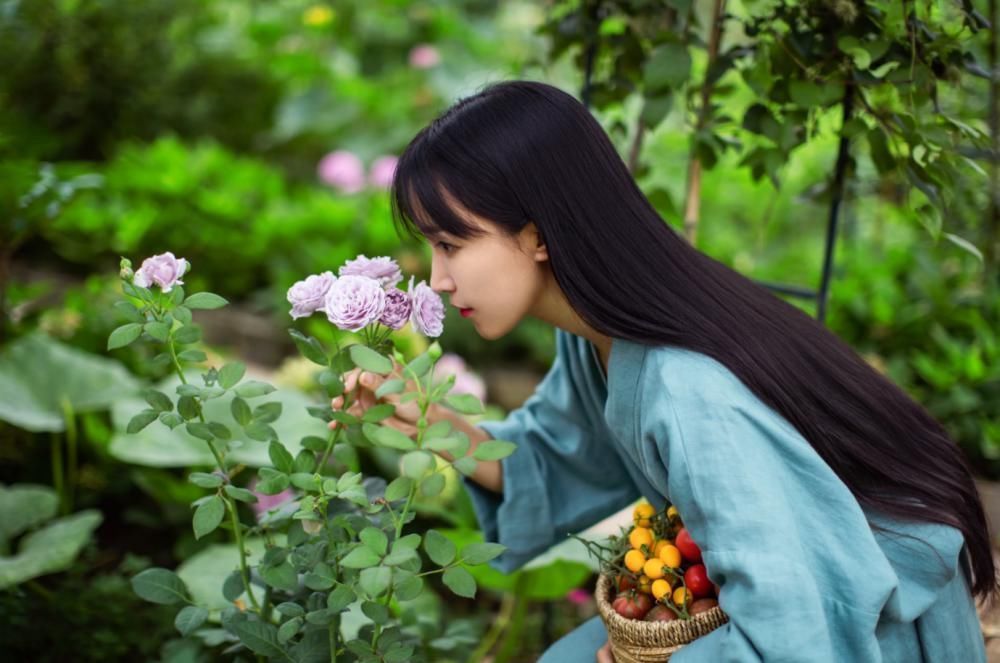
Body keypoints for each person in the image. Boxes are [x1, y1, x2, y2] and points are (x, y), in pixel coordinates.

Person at [329, 80, 994, 661]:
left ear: (536, 234)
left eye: (451, 243)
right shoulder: (600, 333)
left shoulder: (688, 390)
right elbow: (564, 460)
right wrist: (434, 423)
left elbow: (795, 619)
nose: (438, 279)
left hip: (864, 632)